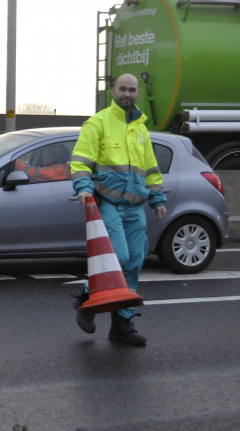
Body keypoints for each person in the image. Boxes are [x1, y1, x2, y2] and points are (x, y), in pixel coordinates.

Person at [70, 73, 167, 345]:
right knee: (119, 258)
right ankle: (87, 298)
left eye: (132, 90)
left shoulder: (140, 128)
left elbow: (151, 169)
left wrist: (157, 199)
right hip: (108, 203)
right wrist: (83, 188)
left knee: (135, 260)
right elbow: (80, 161)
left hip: (134, 206)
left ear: (138, 93)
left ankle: (121, 325)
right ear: (113, 91)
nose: (127, 94)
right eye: (123, 89)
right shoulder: (98, 122)